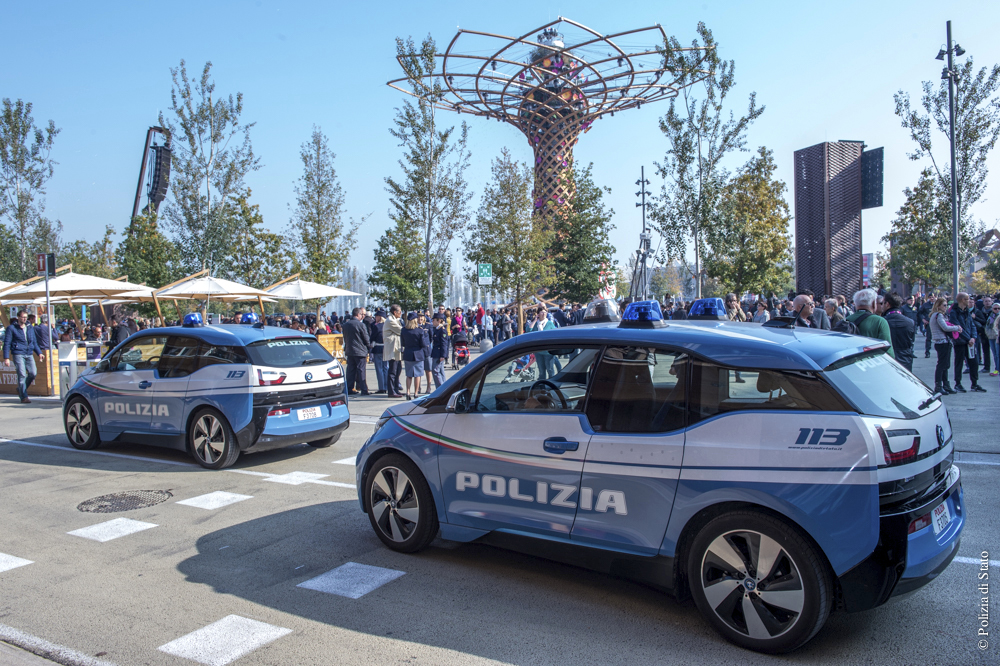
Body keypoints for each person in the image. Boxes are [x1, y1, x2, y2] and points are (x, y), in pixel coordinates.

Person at [3, 310, 46, 404]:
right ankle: (24, 397)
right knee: (22, 375)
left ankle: (21, 389)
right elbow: (7, 343)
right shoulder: (12, 328)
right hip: (18, 353)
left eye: (26, 317)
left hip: (29, 353)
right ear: (18, 317)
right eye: (23, 317)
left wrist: (39, 353)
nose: (25, 319)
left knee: (33, 373)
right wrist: (6, 358)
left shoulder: (30, 327)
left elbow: (34, 342)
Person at [947, 292, 986, 393]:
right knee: (959, 363)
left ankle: (974, 383)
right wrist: (968, 339)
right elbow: (957, 328)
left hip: (970, 342)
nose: (969, 301)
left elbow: (972, 325)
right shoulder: (954, 312)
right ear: (962, 300)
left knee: (974, 362)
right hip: (960, 342)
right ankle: (958, 384)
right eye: (967, 299)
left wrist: (973, 337)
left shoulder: (967, 311)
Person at [846, 289, 894, 356]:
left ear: (855, 304)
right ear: (873, 303)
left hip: (850, 364)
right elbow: (888, 353)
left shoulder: (846, 320)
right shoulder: (880, 321)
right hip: (872, 364)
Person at [928, 297, 961, 394]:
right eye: (944, 305)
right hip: (942, 342)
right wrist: (957, 328)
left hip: (942, 342)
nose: (946, 307)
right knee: (942, 365)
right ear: (938, 306)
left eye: (947, 305)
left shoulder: (936, 315)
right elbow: (945, 327)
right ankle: (939, 386)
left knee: (945, 365)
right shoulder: (938, 315)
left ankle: (945, 385)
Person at [342, 307, 371, 396]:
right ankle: (364, 389)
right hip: (360, 351)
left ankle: (349, 388)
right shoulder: (360, 325)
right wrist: (369, 346)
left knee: (351, 370)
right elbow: (366, 338)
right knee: (361, 370)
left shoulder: (346, 324)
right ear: (358, 314)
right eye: (361, 314)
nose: (362, 316)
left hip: (350, 350)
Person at [883, 292, 915, 372]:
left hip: (888, 358)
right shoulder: (910, 322)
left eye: (883, 303)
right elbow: (911, 341)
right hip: (906, 359)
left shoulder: (883, 322)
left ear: (887, 304)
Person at [400, 313, 429, 400]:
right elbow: (423, 344)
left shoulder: (404, 330)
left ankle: (408, 392)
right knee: (417, 375)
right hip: (418, 354)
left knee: (409, 375)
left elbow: (403, 343)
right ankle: (416, 393)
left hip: (408, 353)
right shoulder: (419, 331)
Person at [384, 305, 404, 398]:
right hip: (392, 349)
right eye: (399, 311)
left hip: (397, 349)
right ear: (395, 312)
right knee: (392, 371)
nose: (401, 313)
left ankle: (396, 389)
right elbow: (401, 331)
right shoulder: (390, 320)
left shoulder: (396, 319)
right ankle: (391, 391)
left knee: (398, 369)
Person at [370, 310, 387, 394]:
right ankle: (387, 386)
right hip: (386, 348)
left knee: (379, 368)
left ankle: (382, 387)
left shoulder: (376, 326)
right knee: (385, 368)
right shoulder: (387, 325)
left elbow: (372, 337)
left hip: (378, 348)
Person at [431, 314, 448, 389]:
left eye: (434, 320)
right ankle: (444, 387)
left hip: (439, 353)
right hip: (436, 353)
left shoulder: (442, 330)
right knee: (440, 371)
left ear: (439, 321)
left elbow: (444, 343)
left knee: (435, 371)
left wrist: (443, 355)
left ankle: (440, 388)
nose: (432, 322)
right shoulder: (437, 329)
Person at [987, 301, 1000, 376]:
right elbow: (989, 325)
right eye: (995, 308)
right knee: (995, 354)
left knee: (998, 354)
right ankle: (997, 368)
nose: (997, 310)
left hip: (997, 337)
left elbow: (996, 326)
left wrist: (997, 333)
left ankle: (997, 369)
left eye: (999, 308)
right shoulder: (991, 316)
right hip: (990, 336)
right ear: (992, 309)